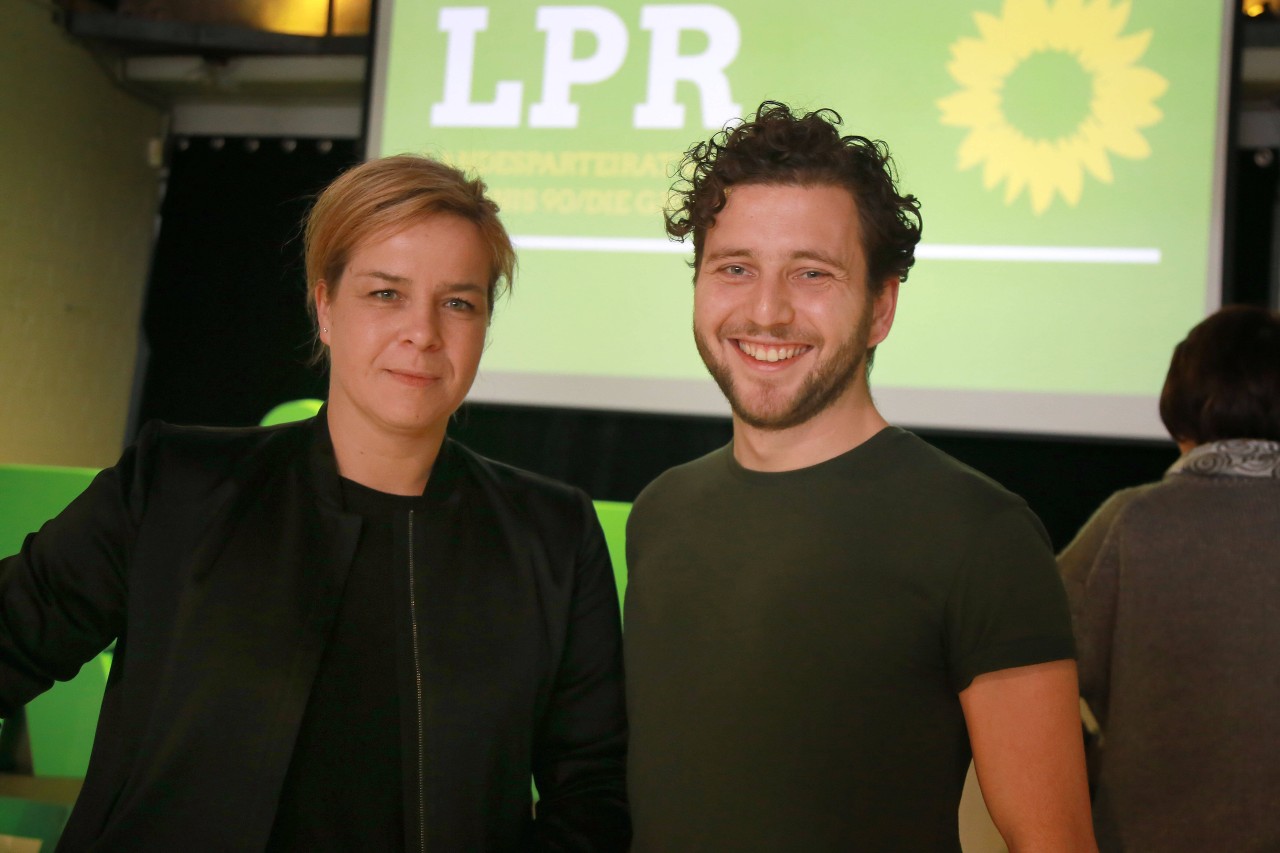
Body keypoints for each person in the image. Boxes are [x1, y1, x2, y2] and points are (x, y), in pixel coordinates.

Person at [0, 155, 629, 851]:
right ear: (324, 306)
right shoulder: (175, 484)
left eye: (458, 302)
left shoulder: (553, 537)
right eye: (386, 293)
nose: (422, 332)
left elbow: (592, 797)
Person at [623, 102, 1095, 851]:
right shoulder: (661, 511)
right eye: (735, 268)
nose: (767, 310)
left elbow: (1054, 841)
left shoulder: (979, 533)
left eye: (812, 273)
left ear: (881, 307)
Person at [1058, 305, 1280, 852]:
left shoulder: (1132, 521)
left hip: (1144, 833)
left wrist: (1089, 770)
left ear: (1180, 410)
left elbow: (1027, 669)